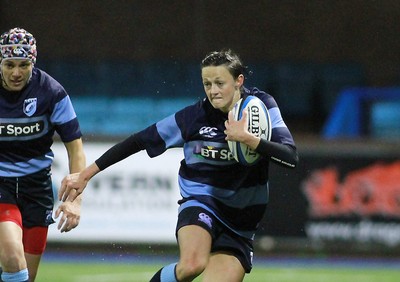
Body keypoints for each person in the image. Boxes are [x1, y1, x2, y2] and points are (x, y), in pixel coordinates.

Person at [59, 49, 298, 282]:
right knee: (191, 266)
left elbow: (290, 156)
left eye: (219, 83)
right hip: (202, 201)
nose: (213, 91)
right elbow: (139, 141)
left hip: (242, 219)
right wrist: (86, 174)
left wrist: (249, 139)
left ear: (239, 81)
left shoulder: (262, 106)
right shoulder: (194, 117)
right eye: (207, 84)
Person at [0, 27, 86, 282]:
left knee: (25, 277)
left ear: (33, 62)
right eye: (9, 64)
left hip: (37, 189)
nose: (16, 72)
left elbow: (75, 146)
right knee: (13, 259)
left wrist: (75, 200)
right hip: (1, 186)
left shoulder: (52, 92)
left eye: (24, 65)